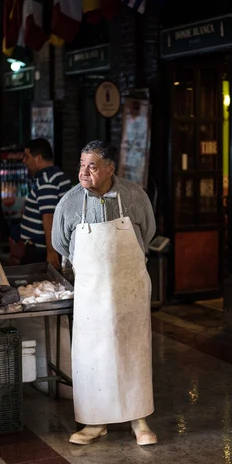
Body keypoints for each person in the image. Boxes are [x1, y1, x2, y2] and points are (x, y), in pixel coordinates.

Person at [52, 140, 157, 446]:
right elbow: (61, 243)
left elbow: (146, 232)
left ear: (110, 169)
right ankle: (94, 423)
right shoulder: (69, 203)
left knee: (133, 352)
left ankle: (139, 420)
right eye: (82, 165)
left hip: (131, 291)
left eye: (92, 166)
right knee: (92, 356)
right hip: (91, 294)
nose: (84, 171)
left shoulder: (134, 196)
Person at [20, 138, 71, 268]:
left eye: (27, 156)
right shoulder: (58, 175)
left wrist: (51, 251)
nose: (24, 161)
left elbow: (49, 216)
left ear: (38, 158)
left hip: (40, 250)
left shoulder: (46, 181)